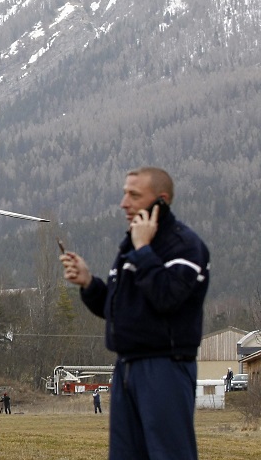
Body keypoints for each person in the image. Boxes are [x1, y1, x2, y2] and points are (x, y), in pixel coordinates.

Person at [61, 166, 210, 460]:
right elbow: (121, 311)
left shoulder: (185, 247)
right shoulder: (131, 246)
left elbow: (167, 297)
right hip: (127, 366)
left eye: (134, 195)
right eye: (124, 193)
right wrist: (89, 283)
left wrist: (143, 251)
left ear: (162, 200)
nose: (123, 203)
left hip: (165, 367)